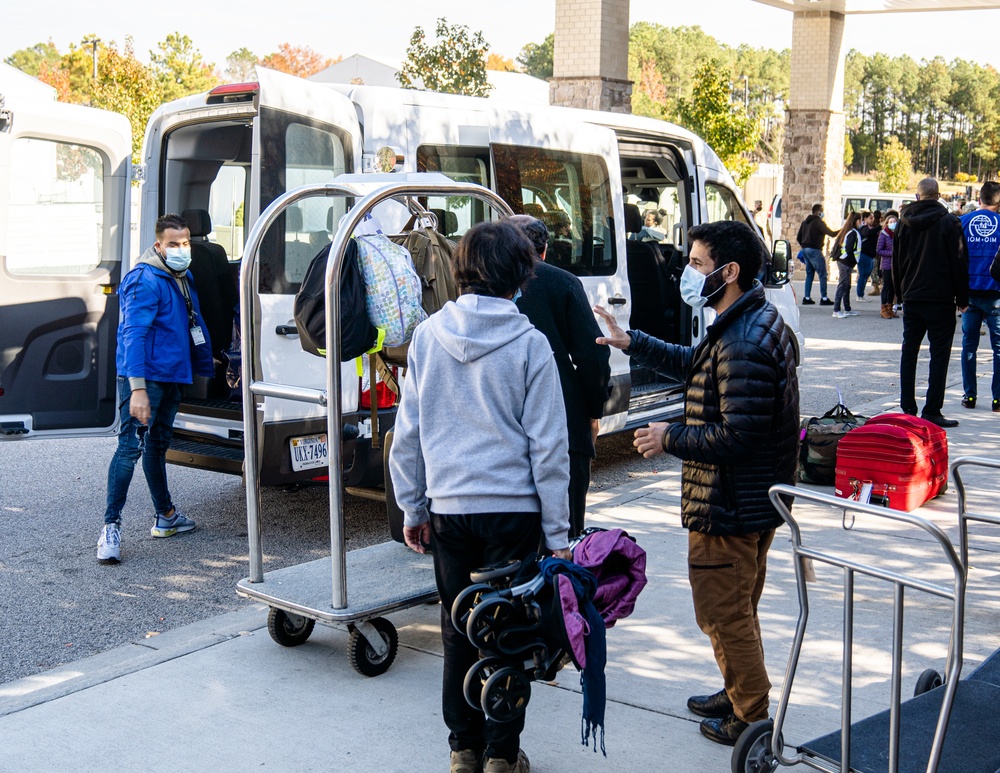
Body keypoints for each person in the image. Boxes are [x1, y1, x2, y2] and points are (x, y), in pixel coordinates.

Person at [594, 220, 799, 747]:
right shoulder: (744, 321)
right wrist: (631, 341)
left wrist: (671, 437)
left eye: (697, 263)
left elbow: (738, 436)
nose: (687, 272)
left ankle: (750, 718)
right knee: (737, 608)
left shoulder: (745, 339)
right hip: (750, 500)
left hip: (729, 504)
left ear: (728, 272)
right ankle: (737, 690)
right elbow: (700, 368)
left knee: (723, 613)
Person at [390, 221, 573, 773]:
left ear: (459, 267)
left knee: (457, 628)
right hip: (513, 513)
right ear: (521, 275)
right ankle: (502, 755)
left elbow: (410, 432)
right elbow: (550, 448)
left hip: (450, 510)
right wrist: (560, 536)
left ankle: (461, 751)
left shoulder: (426, 336)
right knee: (508, 633)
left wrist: (412, 505)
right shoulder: (530, 345)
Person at [97, 214, 215, 563]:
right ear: (158, 245)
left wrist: (202, 360)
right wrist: (137, 389)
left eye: (186, 242)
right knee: (129, 448)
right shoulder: (144, 279)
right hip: (145, 379)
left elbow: (185, 323)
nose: (182, 249)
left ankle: (165, 516)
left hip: (171, 376)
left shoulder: (180, 275)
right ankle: (110, 528)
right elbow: (133, 335)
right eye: (174, 244)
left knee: (158, 444)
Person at [509, 214, 612, 537]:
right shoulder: (563, 283)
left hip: (506, 426)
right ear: (545, 250)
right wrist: (593, 412)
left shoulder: (486, 283)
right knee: (564, 532)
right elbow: (593, 354)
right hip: (563, 423)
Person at [892, 177, 970, 428]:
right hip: (940, 298)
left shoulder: (903, 223)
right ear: (938, 196)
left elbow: (896, 261)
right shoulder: (949, 222)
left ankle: (908, 407)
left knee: (909, 352)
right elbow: (959, 261)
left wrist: (899, 294)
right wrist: (962, 297)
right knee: (939, 355)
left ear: (917, 196)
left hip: (913, 296)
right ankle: (932, 409)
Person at [959, 180, 1000, 412]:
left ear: (979, 199)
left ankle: (970, 395)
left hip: (970, 293)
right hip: (996, 292)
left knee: (969, 345)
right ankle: (998, 399)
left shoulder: (962, 222)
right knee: (999, 348)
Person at [796, 203, 838, 305]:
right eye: (822, 211)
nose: (823, 213)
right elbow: (831, 233)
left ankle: (806, 297)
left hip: (805, 250)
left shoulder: (805, 222)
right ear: (818, 212)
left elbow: (798, 237)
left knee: (809, 274)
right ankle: (824, 298)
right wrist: (843, 230)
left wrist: (804, 245)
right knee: (822, 274)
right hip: (815, 250)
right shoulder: (819, 222)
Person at [830, 211, 862, 319]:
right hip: (846, 262)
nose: (861, 222)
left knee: (846, 285)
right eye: (860, 220)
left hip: (844, 262)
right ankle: (836, 309)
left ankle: (847, 308)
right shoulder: (852, 233)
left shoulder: (846, 231)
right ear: (857, 221)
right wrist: (853, 260)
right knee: (843, 285)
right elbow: (849, 249)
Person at [877, 210, 900, 319]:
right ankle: (884, 309)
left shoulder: (898, 234)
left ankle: (890, 308)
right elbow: (879, 250)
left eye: (894, 221)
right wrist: (892, 254)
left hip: (896, 265)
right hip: (886, 265)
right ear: (886, 223)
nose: (892, 223)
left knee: (893, 288)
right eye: (890, 221)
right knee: (886, 287)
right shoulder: (884, 234)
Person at [857, 210, 881, 303]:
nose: (872, 220)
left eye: (873, 218)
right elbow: (867, 234)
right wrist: (879, 227)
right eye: (870, 218)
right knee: (862, 275)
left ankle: (861, 294)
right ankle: (860, 295)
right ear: (865, 219)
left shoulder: (871, 228)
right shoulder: (864, 228)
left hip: (870, 255)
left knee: (866, 274)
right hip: (864, 254)